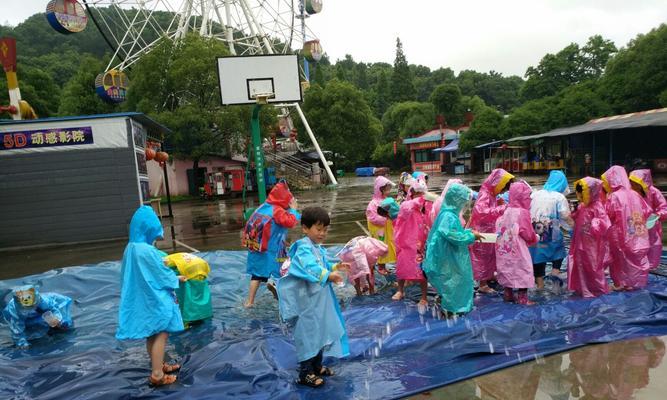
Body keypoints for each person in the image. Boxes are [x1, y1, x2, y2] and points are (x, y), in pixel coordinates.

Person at [277, 207, 350, 388]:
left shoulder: (316, 248)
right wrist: (327, 276)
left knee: (320, 333)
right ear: (305, 228)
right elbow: (310, 267)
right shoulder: (303, 248)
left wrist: (335, 268)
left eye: (325, 229)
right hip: (307, 303)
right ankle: (305, 373)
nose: (322, 233)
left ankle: (316, 366)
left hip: (318, 302)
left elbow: (322, 265)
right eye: (319, 229)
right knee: (308, 336)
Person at [116, 206, 185, 386]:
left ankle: (159, 365)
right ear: (148, 228)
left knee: (152, 334)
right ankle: (157, 374)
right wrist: (176, 278)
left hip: (143, 298)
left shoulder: (131, 248)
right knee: (161, 333)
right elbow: (160, 274)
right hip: (154, 298)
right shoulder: (146, 250)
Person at [423, 183, 482, 317]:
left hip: (448, 253)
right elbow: (453, 236)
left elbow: (453, 232)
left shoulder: (446, 213)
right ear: (457, 200)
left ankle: (451, 306)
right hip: (449, 255)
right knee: (455, 280)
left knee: (453, 280)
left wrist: (467, 232)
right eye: (463, 201)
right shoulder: (449, 216)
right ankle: (453, 309)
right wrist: (472, 236)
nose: (464, 205)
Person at [242, 181, 300, 307]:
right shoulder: (277, 210)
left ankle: (249, 301)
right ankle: (276, 288)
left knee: (256, 275)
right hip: (273, 247)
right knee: (282, 269)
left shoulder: (264, 206)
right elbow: (290, 222)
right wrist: (294, 210)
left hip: (257, 247)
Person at [601, 165, 652, 290]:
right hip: (638, 232)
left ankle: (621, 284)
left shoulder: (614, 196)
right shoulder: (635, 194)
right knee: (636, 259)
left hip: (620, 234)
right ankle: (634, 284)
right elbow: (647, 210)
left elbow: (608, 214)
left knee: (620, 260)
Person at [469, 168, 515, 293]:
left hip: (489, 229)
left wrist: (499, 205)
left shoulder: (491, 194)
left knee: (491, 255)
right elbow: (481, 212)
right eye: (503, 186)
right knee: (483, 257)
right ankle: (483, 283)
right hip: (481, 230)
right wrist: (502, 208)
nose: (503, 190)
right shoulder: (485, 194)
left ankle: (489, 276)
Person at [495, 181, 539, 305]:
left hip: (504, 246)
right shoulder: (522, 212)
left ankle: (508, 293)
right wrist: (535, 238)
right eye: (527, 197)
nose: (529, 199)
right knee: (523, 268)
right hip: (518, 247)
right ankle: (523, 298)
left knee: (507, 268)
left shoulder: (506, 209)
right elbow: (527, 233)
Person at [529, 170, 574, 288]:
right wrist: (573, 228)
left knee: (538, 257)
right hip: (552, 232)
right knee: (558, 254)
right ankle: (555, 276)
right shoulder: (559, 197)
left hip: (535, 232)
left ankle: (540, 286)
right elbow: (565, 216)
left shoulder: (535, 194)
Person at [567, 177, 611, 297]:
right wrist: (574, 212)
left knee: (593, 266)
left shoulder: (597, 206)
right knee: (580, 265)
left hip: (592, 243)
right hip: (579, 241)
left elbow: (605, 223)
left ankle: (598, 289)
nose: (579, 195)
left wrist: (594, 225)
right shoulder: (582, 206)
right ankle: (582, 288)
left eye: (582, 192)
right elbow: (577, 218)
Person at [392, 179, 431, 305]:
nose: (420, 197)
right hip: (405, 243)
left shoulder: (426, 208)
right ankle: (400, 290)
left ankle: (424, 297)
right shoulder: (406, 206)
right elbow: (406, 209)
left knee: (421, 271)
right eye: (417, 194)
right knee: (401, 267)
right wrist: (421, 199)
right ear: (411, 194)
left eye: (422, 194)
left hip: (421, 244)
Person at [2, 285, 72, 349]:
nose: (26, 300)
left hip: (40, 313)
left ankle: (59, 324)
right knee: (25, 328)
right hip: (26, 320)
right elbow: (16, 327)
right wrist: (21, 342)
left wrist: (58, 320)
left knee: (61, 322)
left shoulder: (43, 301)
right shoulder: (14, 311)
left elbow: (53, 309)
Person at [629, 169, 667, 269]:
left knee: (653, 245)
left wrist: (657, 215)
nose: (633, 185)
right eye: (632, 182)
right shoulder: (631, 193)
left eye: (635, 183)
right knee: (636, 245)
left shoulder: (654, 192)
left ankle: (650, 268)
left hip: (651, 224)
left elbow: (664, 208)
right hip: (636, 223)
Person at [163, 252, 213, 327]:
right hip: (201, 264)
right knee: (199, 290)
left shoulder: (160, 261)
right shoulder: (169, 256)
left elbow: (162, 277)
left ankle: (188, 319)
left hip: (188, 267)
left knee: (186, 293)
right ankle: (204, 314)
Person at [366, 176, 397, 275]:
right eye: (386, 190)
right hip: (380, 230)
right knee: (380, 247)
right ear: (380, 189)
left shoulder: (387, 200)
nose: (388, 192)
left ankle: (383, 266)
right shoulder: (373, 203)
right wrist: (385, 219)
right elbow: (372, 217)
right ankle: (380, 266)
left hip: (387, 229)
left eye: (389, 189)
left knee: (387, 246)